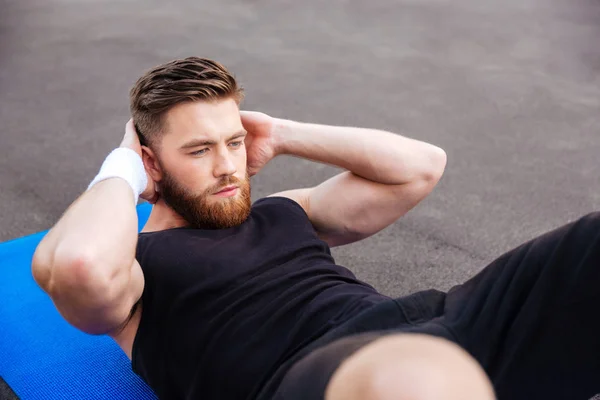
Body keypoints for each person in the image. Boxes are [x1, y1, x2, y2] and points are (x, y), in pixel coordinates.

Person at [31, 57, 600, 400]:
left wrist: (279, 132)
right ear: (151, 163)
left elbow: (421, 166)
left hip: (442, 318)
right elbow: (80, 266)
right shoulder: (135, 266)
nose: (228, 164)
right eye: (200, 150)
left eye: (233, 141)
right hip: (312, 376)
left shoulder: (286, 208)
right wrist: (123, 169)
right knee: (412, 376)